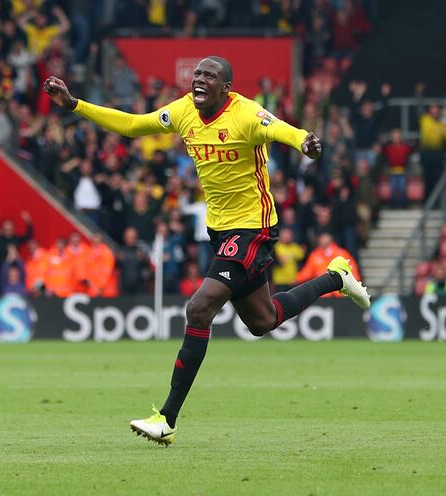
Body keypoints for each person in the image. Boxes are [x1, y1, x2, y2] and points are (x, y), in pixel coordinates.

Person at [44, 56, 371, 445]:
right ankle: (336, 276)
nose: (198, 80)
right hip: (220, 231)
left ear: (226, 88)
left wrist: (306, 143)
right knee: (262, 321)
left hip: (254, 227)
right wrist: (75, 105)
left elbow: (285, 131)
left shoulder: (247, 114)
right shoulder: (184, 111)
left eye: (208, 76)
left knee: (199, 308)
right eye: (197, 74)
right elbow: (133, 125)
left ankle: (167, 417)